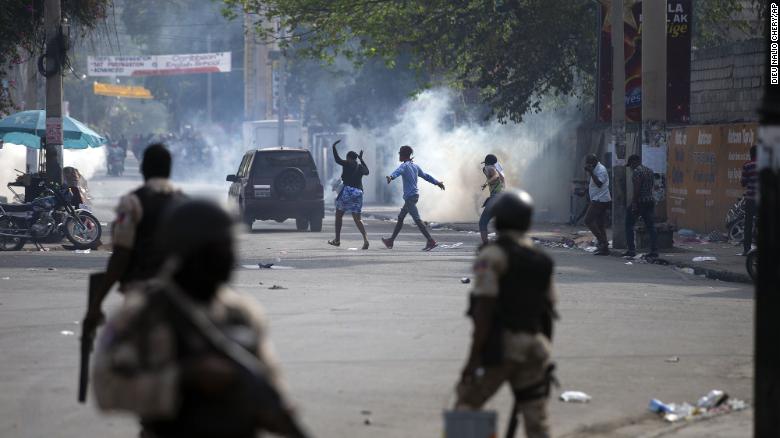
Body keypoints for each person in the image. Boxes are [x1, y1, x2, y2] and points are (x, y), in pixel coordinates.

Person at [92, 200, 307, 438]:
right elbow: (107, 388)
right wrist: (183, 378)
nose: (227, 257)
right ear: (187, 251)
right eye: (216, 249)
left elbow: (266, 378)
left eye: (229, 247)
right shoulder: (144, 312)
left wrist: (274, 410)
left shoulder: (241, 311)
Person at [454, 190, 557, 438]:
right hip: (535, 347)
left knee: (467, 407)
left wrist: (473, 359)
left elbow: (484, 310)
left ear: (498, 220)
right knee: (537, 421)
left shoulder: (491, 255)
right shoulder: (541, 259)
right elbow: (548, 313)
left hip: (503, 348)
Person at [83, 144, 184, 331]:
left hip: (141, 294)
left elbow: (121, 253)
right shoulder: (186, 204)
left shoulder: (132, 202)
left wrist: (96, 304)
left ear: (143, 169)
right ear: (169, 170)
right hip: (181, 298)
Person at [381, 145, 445, 251]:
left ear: (403, 154)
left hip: (410, 198)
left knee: (417, 220)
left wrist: (391, 177)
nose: (399, 155)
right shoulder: (415, 166)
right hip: (414, 196)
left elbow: (397, 172)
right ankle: (390, 241)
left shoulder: (404, 166)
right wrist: (437, 182)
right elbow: (426, 176)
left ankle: (431, 241)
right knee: (401, 218)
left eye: (400, 153)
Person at [328, 140, 370, 249]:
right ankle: (365, 239)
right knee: (357, 218)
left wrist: (333, 147)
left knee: (339, 215)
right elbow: (367, 172)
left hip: (348, 191)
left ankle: (337, 240)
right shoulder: (360, 167)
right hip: (358, 192)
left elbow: (337, 159)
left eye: (347, 158)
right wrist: (361, 159)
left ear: (348, 158)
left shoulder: (347, 163)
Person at [624, 155, 658, 258]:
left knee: (628, 224)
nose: (630, 168)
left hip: (640, 201)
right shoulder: (650, 171)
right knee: (651, 226)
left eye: (631, 165)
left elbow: (637, 189)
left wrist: (634, 203)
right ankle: (654, 251)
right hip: (650, 200)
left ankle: (631, 250)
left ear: (635, 162)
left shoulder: (637, 172)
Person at [583, 154, 611, 255]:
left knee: (587, 220)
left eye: (589, 163)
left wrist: (590, 172)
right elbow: (594, 184)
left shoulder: (601, 169)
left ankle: (603, 242)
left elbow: (599, 184)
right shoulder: (596, 168)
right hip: (598, 199)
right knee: (600, 225)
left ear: (594, 162)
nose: (588, 165)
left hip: (600, 200)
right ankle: (604, 249)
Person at [479, 154, 506, 244]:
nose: (484, 166)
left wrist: (487, 183)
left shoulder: (488, 168)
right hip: (502, 198)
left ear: (487, 163)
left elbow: (495, 176)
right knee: (500, 223)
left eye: (485, 163)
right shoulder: (499, 168)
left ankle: (486, 245)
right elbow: (499, 176)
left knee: (482, 222)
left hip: (495, 199)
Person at [740, 145, 758, 256]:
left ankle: (747, 249)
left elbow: (743, 182)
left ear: (750, 154)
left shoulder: (747, 165)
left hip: (751, 199)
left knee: (748, 224)